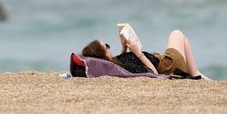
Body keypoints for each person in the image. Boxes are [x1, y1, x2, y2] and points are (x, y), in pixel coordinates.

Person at [82, 29, 211, 80]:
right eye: (107, 46)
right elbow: (154, 73)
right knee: (177, 34)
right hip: (167, 65)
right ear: (103, 55)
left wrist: (124, 48)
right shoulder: (125, 65)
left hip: (163, 61)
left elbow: (121, 63)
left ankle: (200, 75)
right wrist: (138, 53)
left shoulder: (113, 64)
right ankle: (195, 75)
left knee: (190, 64)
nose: (110, 48)